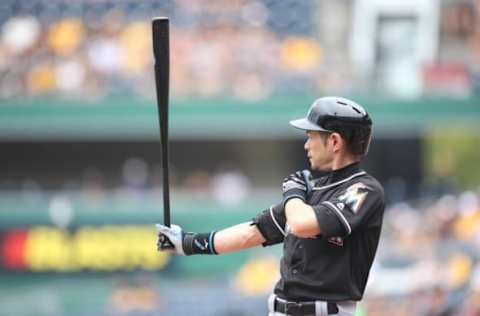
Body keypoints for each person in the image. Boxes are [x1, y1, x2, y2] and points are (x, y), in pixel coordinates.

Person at [156, 96, 385, 316]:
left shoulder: (364, 189)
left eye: (311, 136)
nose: (306, 145)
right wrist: (187, 243)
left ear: (334, 141)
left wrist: (293, 193)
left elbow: (303, 224)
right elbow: (253, 232)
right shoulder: (311, 190)